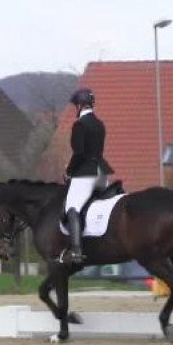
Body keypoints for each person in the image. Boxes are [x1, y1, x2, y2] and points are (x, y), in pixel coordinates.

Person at [61, 88, 114, 264]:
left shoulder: (80, 125)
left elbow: (79, 153)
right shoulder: (100, 124)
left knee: (72, 207)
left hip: (86, 173)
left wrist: (69, 172)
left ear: (79, 105)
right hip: (102, 173)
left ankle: (76, 251)